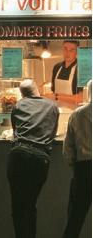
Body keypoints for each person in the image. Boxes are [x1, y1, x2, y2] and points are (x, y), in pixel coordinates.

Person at [7, 79, 59, 238]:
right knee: (30, 205)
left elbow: (15, 131)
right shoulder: (52, 106)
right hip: (39, 158)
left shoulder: (18, 106)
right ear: (37, 90)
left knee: (18, 207)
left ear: (22, 94)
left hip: (18, 155)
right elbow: (53, 133)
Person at [62, 79, 91, 238]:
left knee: (75, 217)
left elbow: (68, 147)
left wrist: (74, 167)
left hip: (84, 168)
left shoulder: (77, 114)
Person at [48, 40, 83, 108]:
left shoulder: (81, 69)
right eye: (65, 49)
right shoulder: (57, 67)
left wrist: (56, 97)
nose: (67, 53)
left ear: (77, 52)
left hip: (74, 111)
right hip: (57, 110)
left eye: (71, 50)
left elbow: (81, 99)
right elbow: (54, 92)